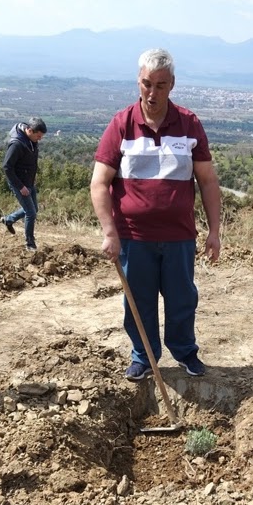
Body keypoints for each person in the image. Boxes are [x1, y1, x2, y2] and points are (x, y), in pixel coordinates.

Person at [90, 48, 221, 381]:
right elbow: (99, 183)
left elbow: (207, 181)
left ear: (172, 84)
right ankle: (143, 357)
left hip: (179, 235)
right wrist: (109, 232)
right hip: (134, 237)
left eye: (160, 85)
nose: (152, 92)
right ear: (139, 81)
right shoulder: (121, 124)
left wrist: (214, 231)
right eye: (147, 84)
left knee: (182, 299)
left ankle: (185, 352)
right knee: (138, 302)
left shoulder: (189, 124)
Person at [0, 117, 47, 251]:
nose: (40, 139)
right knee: (31, 213)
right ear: (30, 130)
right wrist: (21, 187)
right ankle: (30, 243)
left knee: (33, 209)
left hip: (29, 182)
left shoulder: (31, 141)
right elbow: (7, 167)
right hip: (19, 184)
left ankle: (9, 219)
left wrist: (32, 178)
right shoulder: (17, 144)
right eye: (38, 136)